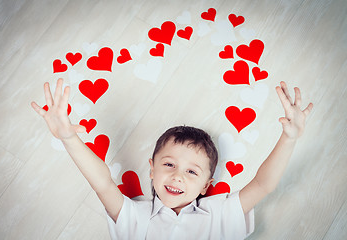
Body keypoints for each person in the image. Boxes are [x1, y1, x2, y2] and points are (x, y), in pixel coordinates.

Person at [30, 78, 313, 239]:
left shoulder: (219, 214)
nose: (177, 175)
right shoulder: (135, 217)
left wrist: (289, 137)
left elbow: (263, 185)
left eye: (192, 172)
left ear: (206, 185)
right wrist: (69, 138)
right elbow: (103, 184)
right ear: (151, 170)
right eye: (169, 165)